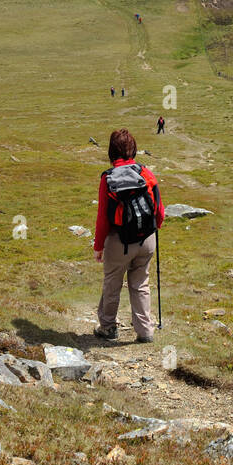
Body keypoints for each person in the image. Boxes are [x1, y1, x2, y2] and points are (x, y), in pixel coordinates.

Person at [93, 128, 164, 343]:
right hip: (146, 239)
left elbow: (103, 218)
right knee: (141, 282)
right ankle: (145, 331)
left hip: (119, 241)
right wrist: (155, 227)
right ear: (133, 148)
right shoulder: (145, 172)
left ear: (112, 150)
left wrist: (99, 246)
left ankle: (107, 327)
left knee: (112, 282)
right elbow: (159, 209)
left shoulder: (108, 178)